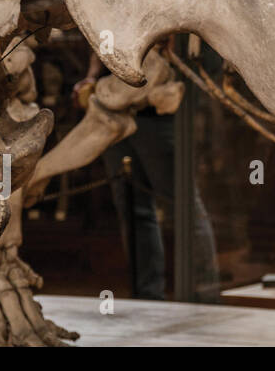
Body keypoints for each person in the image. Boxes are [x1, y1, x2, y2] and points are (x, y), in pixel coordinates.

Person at [77, 47, 221, 302]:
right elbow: (100, 40)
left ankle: (205, 294)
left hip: (158, 113)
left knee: (185, 206)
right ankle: (147, 295)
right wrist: (92, 76)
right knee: (133, 209)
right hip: (113, 111)